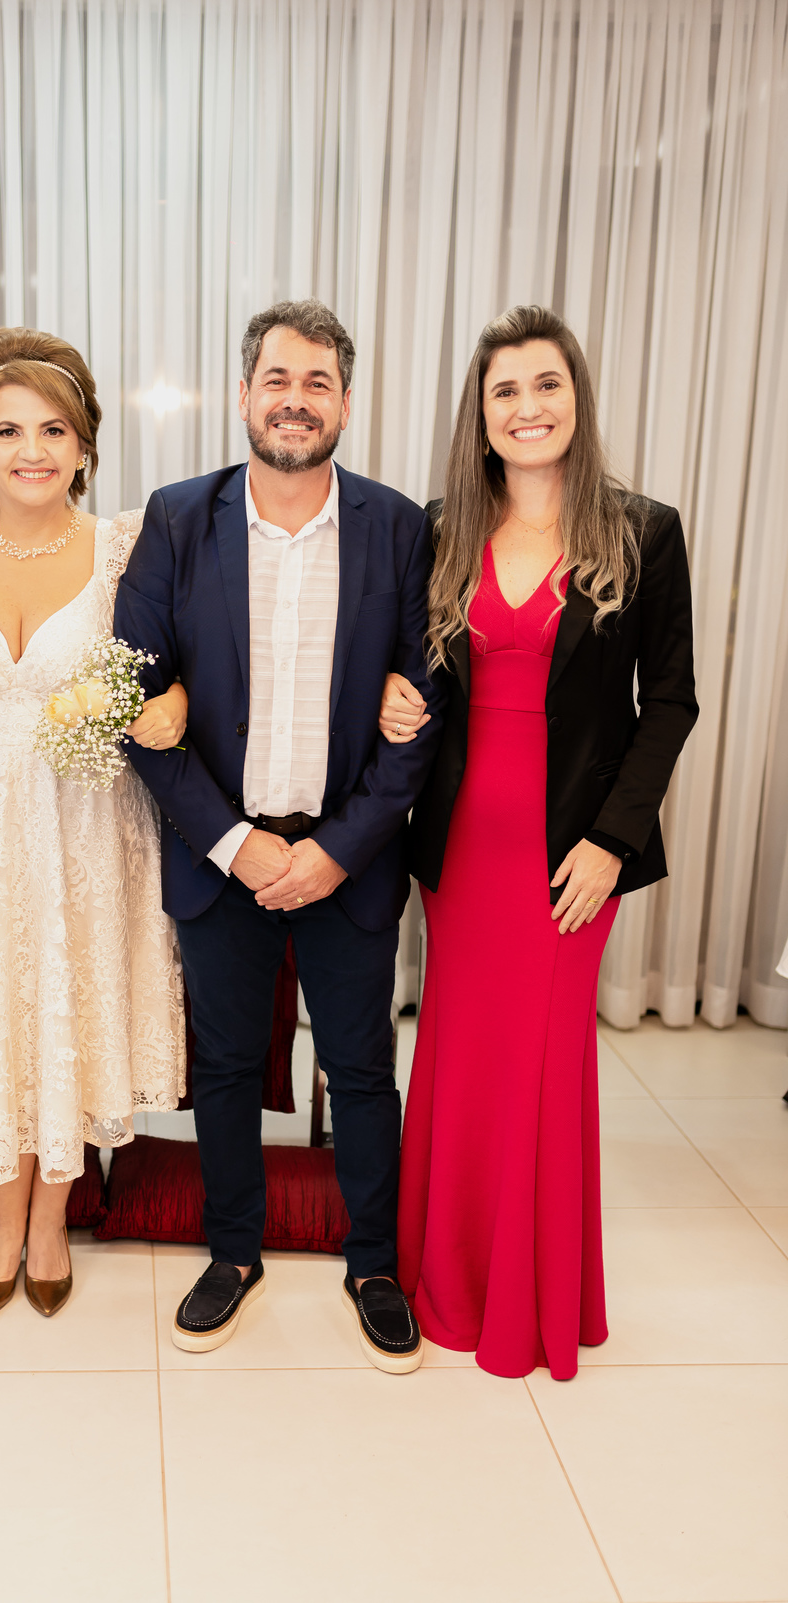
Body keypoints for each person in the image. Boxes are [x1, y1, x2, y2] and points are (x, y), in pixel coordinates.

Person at [115, 300, 444, 1372]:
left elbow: (424, 711)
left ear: (346, 402)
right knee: (223, 1064)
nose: (295, 400)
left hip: (350, 858)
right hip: (224, 857)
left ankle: (374, 1264)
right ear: (244, 393)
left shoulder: (400, 528)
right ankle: (233, 1250)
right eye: (277, 379)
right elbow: (132, 702)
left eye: (317, 382)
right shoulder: (177, 518)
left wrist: (338, 849)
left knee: (361, 1066)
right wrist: (233, 843)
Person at [382, 304, 698, 1380]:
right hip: (461, 847)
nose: (527, 407)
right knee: (461, 1059)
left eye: (546, 384)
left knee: (543, 1067)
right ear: (480, 413)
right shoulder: (442, 529)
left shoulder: (644, 530)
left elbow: (672, 703)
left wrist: (613, 842)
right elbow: (414, 676)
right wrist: (391, 701)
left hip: (572, 858)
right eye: (505, 390)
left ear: (577, 398)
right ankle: (441, 1277)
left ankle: (530, 1303)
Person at [0, 328, 186, 1318]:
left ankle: (52, 1214)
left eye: (54, 430)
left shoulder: (122, 547)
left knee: (67, 1005)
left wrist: (177, 702)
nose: (33, 450)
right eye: (10, 431)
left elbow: (182, 661)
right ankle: (1, 1211)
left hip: (86, 826)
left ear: (85, 445)